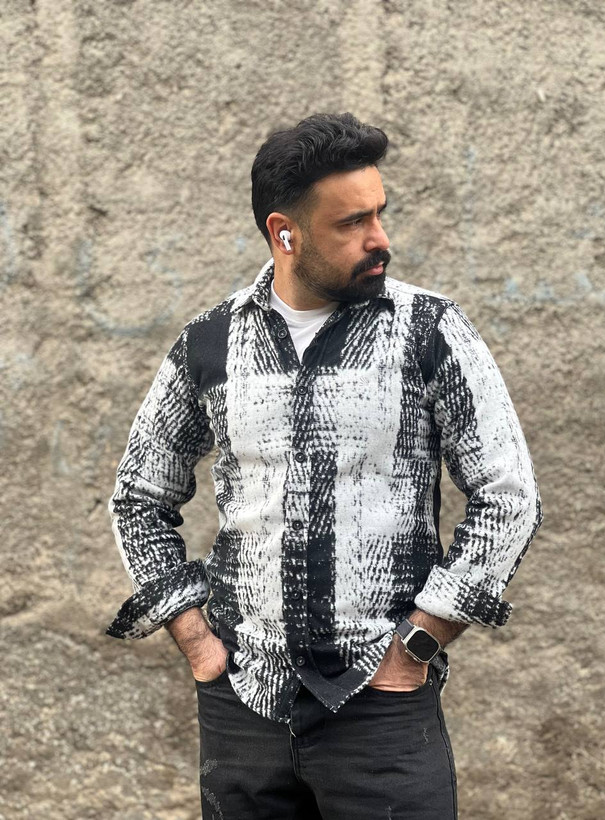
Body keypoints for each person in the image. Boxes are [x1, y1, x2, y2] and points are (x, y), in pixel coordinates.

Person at [107, 112, 543, 819]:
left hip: (380, 710)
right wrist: (195, 641)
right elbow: (138, 498)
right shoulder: (210, 343)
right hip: (242, 710)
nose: (380, 239)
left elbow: (509, 495)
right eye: (352, 223)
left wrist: (420, 641)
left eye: (379, 213)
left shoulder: (428, 331)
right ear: (285, 234)